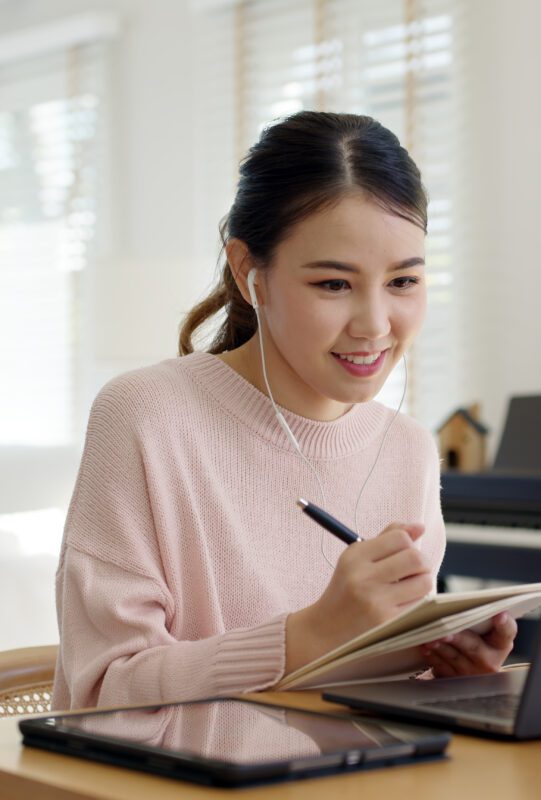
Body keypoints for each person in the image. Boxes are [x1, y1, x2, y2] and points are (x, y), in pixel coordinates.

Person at [52, 111, 517, 710]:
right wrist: (309, 636)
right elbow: (99, 691)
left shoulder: (407, 448)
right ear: (250, 274)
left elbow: (362, 704)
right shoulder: (146, 415)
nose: (375, 326)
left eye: (403, 282)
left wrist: (447, 676)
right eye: (333, 284)